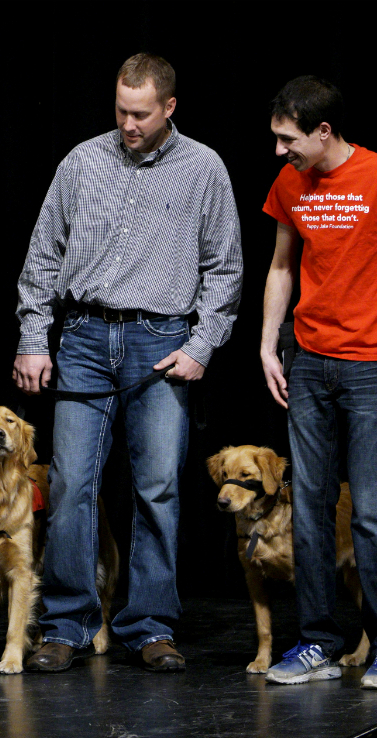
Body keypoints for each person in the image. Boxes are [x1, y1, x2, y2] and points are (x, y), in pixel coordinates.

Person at [14, 53, 242, 673]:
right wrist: (34, 337)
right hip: (84, 335)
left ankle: (150, 625)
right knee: (69, 484)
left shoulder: (203, 169)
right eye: (120, 110)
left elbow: (224, 267)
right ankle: (66, 624)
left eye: (140, 113)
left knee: (159, 488)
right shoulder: (82, 161)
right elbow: (43, 256)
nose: (128, 123)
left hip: (159, 339)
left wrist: (202, 344)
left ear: (169, 108)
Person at [260, 76, 377, 687]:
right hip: (307, 361)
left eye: (289, 139)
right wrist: (268, 346)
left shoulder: (375, 177)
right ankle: (317, 644)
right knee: (307, 506)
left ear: (323, 131)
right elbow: (282, 266)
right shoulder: (290, 183)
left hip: (369, 366)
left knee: (371, 514)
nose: (281, 151)